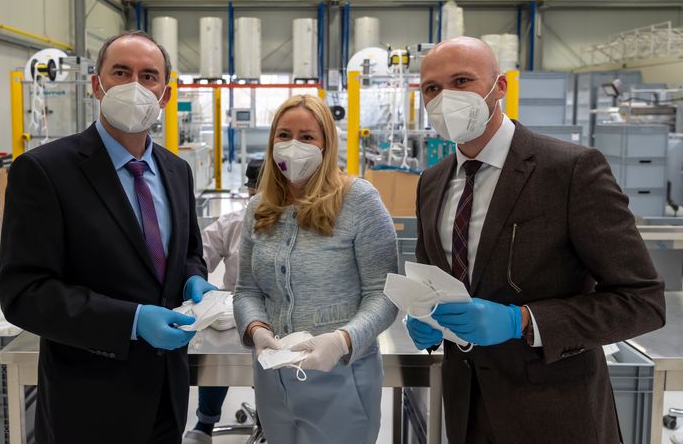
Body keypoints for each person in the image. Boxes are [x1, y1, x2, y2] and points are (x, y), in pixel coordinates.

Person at [405, 36, 666, 444]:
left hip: (554, 413)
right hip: (466, 409)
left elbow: (643, 301)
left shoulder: (569, 171)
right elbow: (436, 280)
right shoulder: (433, 182)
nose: (445, 98)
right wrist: (425, 317)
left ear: (500, 87)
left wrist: (522, 321)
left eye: (461, 81)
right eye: (432, 89)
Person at [0, 30, 216, 444]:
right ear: (97, 85)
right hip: (88, 405)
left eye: (149, 76)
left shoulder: (176, 171)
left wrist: (192, 278)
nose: (136, 86)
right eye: (121, 72)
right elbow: (24, 293)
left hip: (166, 397)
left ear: (165, 96)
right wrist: (131, 321)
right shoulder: (45, 172)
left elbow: (188, 253)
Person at [233, 94, 398, 444]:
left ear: (326, 143)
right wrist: (258, 330)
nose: (293, 146)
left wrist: (342, 341)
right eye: (283, 135)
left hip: (343, 380)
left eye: (307, 137)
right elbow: (246, 290)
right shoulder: (259, 208)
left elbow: (383, 295)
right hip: (273, 384)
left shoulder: (359, 201)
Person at [184, 158, 264, 444]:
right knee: (214, 351)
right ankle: (205, 424)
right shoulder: (232, 225)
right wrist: (194, 278)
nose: (258, 201)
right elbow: (198, 257)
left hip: (283, 316)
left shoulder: (300, 227)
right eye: (254, 193)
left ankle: (276, 421)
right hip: (233, 312)